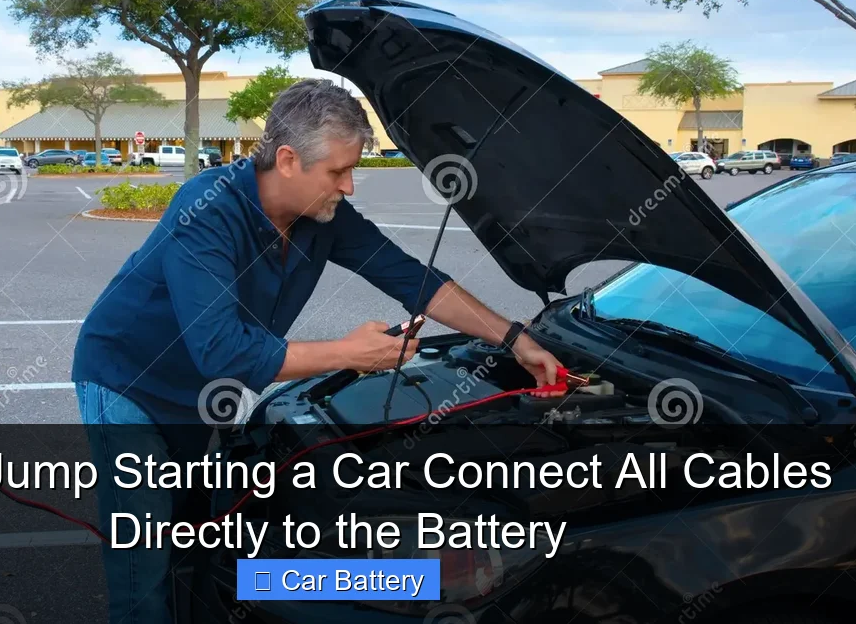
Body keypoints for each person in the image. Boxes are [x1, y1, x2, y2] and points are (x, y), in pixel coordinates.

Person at [70, 78, 565, 624]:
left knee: (194, 535)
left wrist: (514, 338)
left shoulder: (322, 217)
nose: (350, 186)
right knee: (142, 560)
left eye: (353, 169)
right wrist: (351, 352)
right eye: (337, 171)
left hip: (198, 397)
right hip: (127, 381)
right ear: (287, 159)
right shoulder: (207, 208)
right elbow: (224, 353)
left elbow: (414, 279)